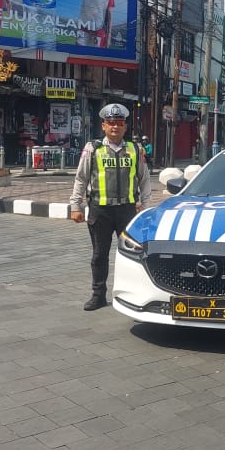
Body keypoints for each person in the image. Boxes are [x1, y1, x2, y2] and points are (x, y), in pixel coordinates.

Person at [69, 104, 152, 311]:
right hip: (101, 211)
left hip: (127, 211)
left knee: (135, 254)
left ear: (125, 127)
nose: (115, 127)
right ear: (103, 125)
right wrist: (75, 206)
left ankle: (135, 295)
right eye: (111, 123)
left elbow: (144, 180)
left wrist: (146, 207)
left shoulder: (135, 149)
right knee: (99, 255)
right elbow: (81, 178)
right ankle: (98, 295)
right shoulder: (93, 148)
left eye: (119, 123)